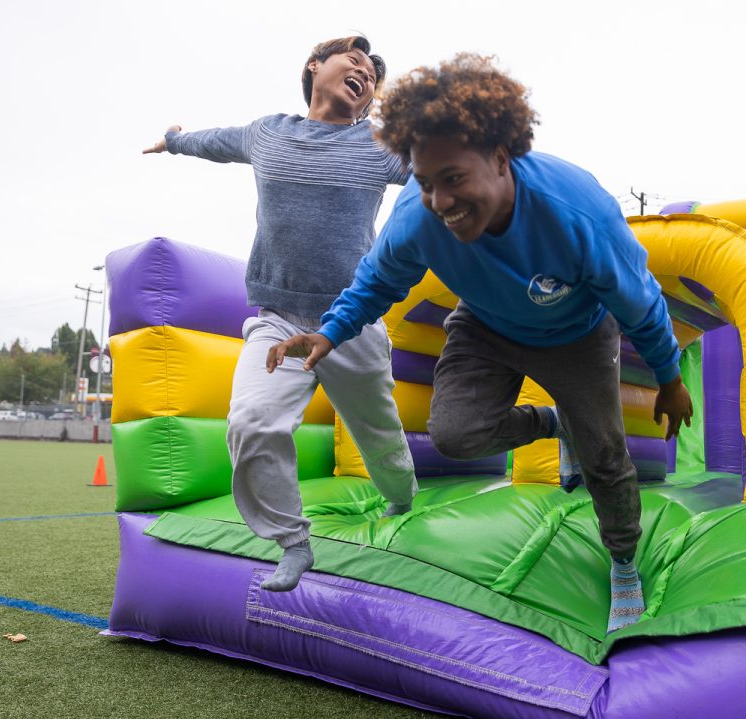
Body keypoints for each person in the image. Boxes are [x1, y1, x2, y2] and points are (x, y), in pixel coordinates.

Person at [266, 53, 693, 633]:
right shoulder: (418, 218)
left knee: (606, 458)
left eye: (453, 180)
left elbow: (639, 302)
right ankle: (553, 423)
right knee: (454, 435)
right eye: (424, 182)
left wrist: (668, 378)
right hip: (485, 325)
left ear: (500, 158)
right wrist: (330, 331)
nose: (440, 201)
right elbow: (376, 281)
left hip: (577, 334)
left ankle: (621, 560)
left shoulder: (575, 212)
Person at [142, 36, 417, 592]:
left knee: (379, 435)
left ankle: (402, 494)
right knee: (251, 422)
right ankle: (293, 542)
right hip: (281, 319)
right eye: (354, 60)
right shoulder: (269, 133)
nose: (364, 70)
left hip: (351, 320)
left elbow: (440, 171)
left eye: (371, 75)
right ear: (315, 67)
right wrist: (174, 141)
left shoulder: (378, 144)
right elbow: (216, 141)